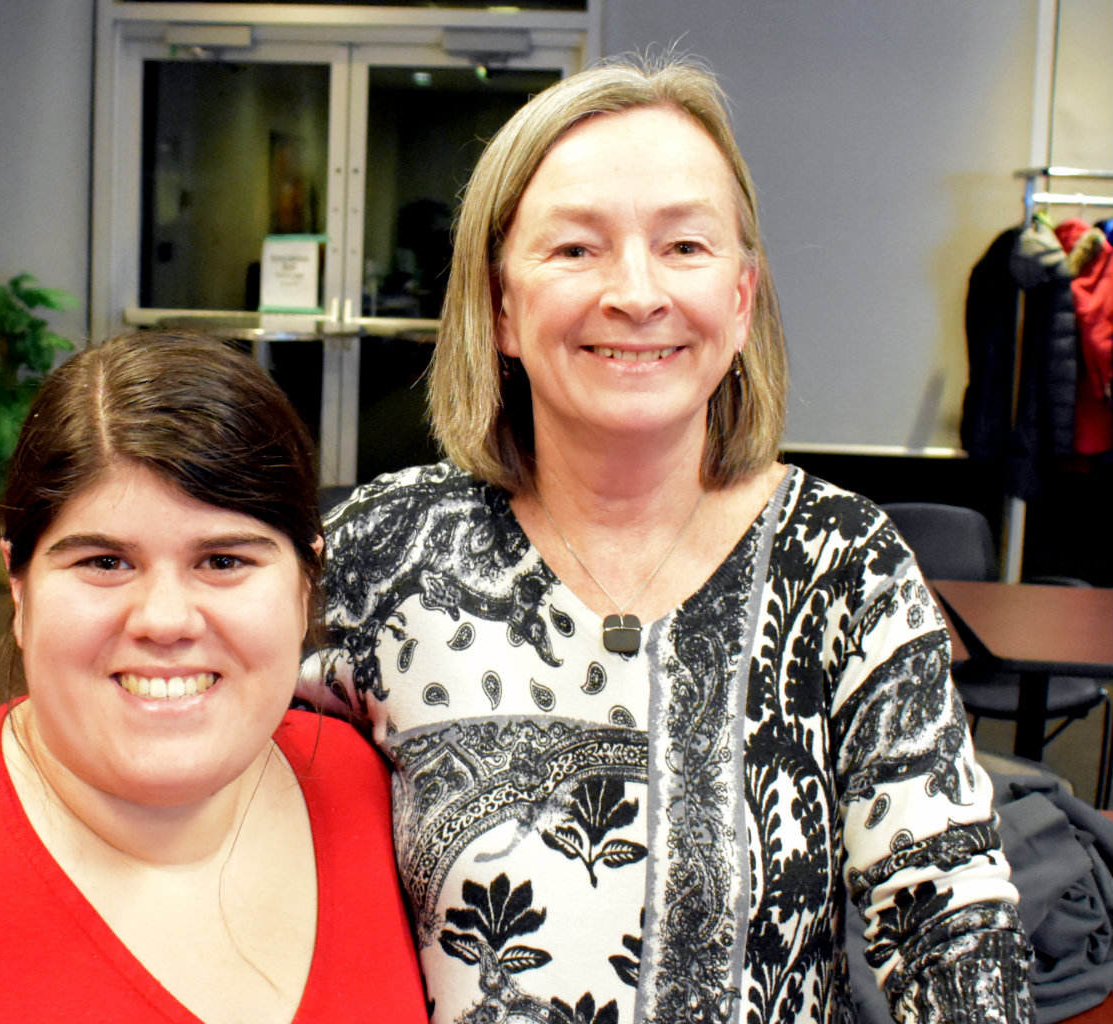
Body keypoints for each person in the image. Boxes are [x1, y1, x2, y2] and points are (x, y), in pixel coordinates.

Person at [299, 56, 1034, 1023]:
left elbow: (949, 923)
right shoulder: (378, 554)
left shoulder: (843, 566)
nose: (635, 293)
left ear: (739, 297)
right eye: (574, 250)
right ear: (501, 307)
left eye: (684, 246)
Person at [0, 331, 427, 1023]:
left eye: (223, 561)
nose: (164, 619)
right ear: (20, 589)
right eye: (104, 562)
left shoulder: (397, 802)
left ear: (303, 586)